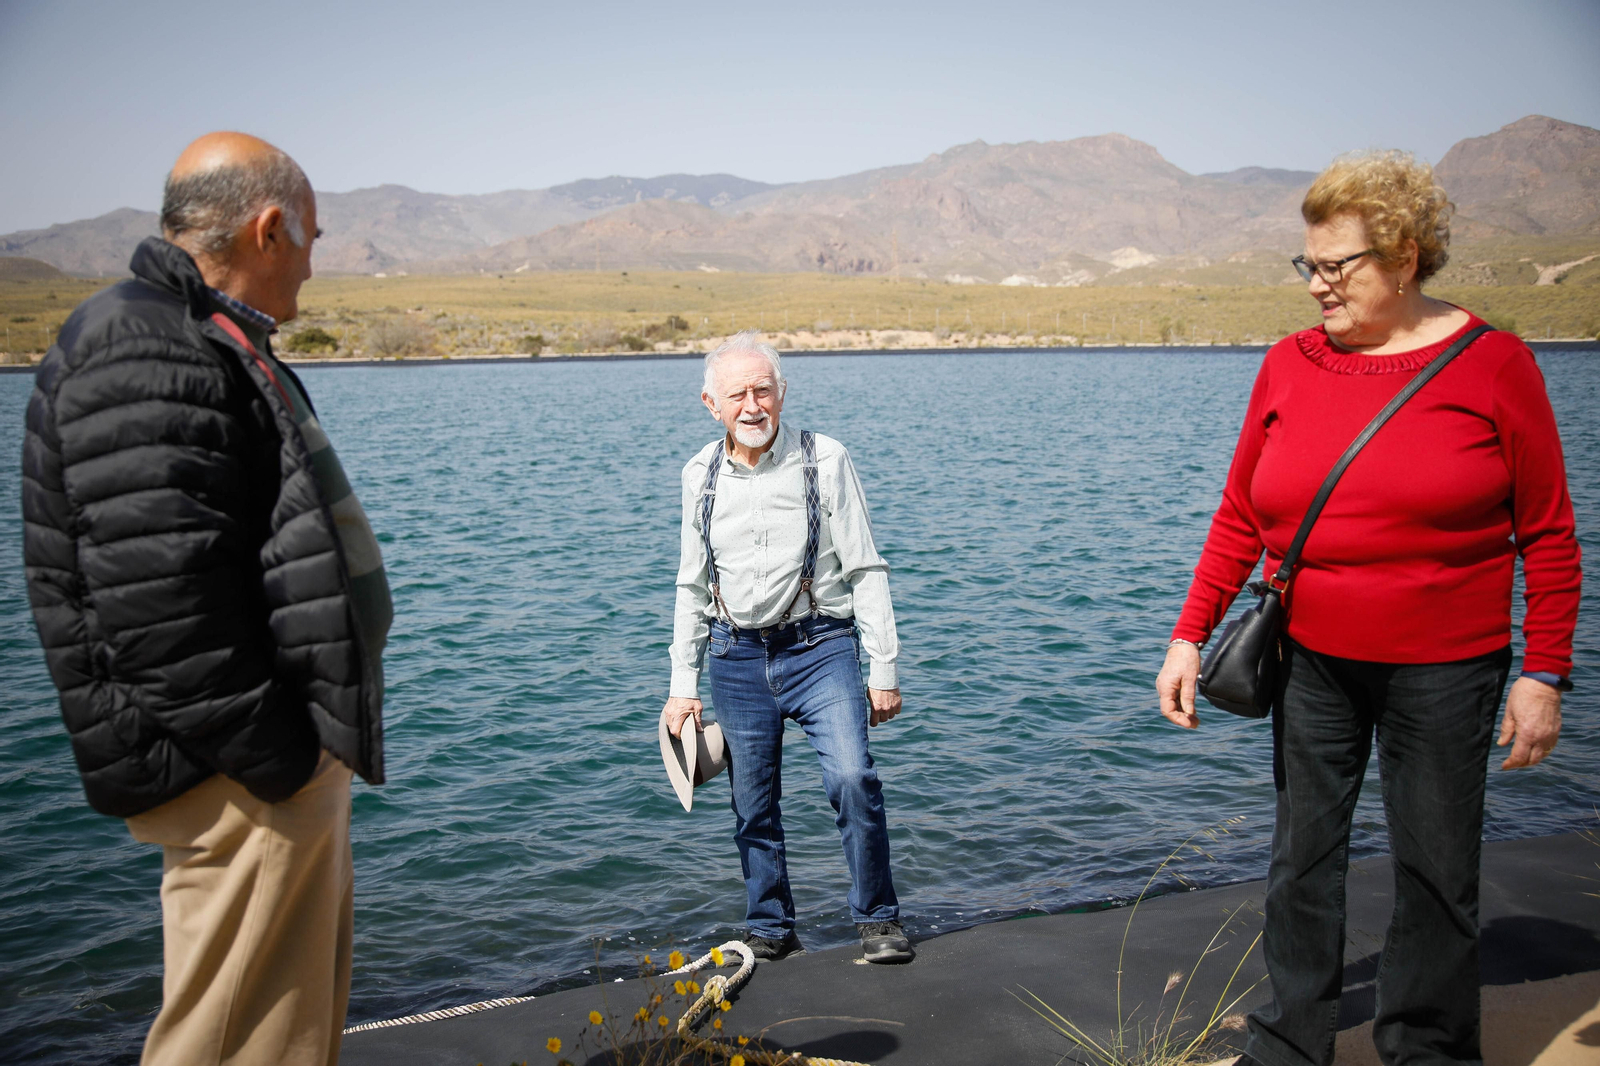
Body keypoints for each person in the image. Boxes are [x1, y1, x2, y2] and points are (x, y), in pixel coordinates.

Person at [1154, 150, 1581, 1066]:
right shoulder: (1288, 366)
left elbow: (1547, 535)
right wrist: (1190, 633)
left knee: (1436, 872)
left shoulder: (1494, 364)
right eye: (1306, 264)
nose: (1317, 285)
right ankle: (1289, 1040)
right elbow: (1240, 516)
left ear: (1407, 255)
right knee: (1301, 859)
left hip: (1450, 668)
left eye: (1337, 265)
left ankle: (1426, 1048)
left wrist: (1543, 670)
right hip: (1309, 657)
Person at [21, 132, 391, 1066]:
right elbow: (160, 607)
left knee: (282, 1025)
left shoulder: (190, 335)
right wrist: (282, 759)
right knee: (235, 1035)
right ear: (268, 228)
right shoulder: (146, 343)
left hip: (249, 764)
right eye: (312, 238)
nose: (314, 264)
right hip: (234, 773)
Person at [663, 332, 913, 964]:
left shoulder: (824, 459)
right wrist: (681, 687)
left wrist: (882, 668)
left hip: (820, 648)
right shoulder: (699, 474)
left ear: (781, 394)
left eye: (763, 389)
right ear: (710, 404)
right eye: (737, 394)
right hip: (734, 658)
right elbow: (692, 585)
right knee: (752, 802)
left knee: (853, 777)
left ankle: (878, 918)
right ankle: (770, 927)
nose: (752, 405)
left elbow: (866, 570)